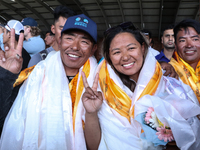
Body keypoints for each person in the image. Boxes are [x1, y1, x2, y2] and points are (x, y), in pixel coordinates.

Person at [82, 22, 200, 150]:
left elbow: (190, 136)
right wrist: (91, 112)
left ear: (143, 48)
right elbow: (93, 146)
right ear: (109, 57)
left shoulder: (169, 83)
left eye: (131, 48)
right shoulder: (100, 90)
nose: (126, 57)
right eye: (116, 52)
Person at [0, 14, 98, 150]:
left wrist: (91, 113)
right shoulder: (36, 74)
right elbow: (5, 121)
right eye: (69, 38)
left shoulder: (100, 82)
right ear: (60, 41)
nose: (75, 47)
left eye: (84, 41)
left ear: (93, 49)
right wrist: (7, 75)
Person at [0, 20, 31, 136]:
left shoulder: (18, 58)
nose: (2, 34)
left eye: (4, 31)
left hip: (11, 110)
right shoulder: (19, 55)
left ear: (9, 34)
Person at [169, 19, 200, 103]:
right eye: (182, 40)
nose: (189, 45)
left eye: (195, 39)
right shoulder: (169, 72)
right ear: (175, 45)